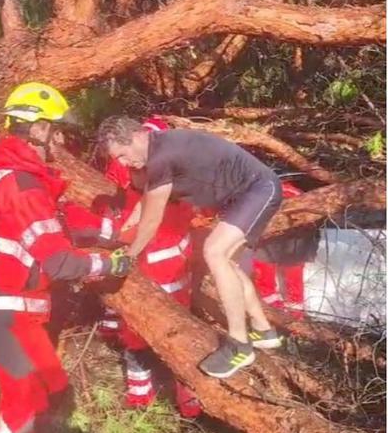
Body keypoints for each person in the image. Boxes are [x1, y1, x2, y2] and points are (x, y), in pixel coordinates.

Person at [0, 82, 132, 433]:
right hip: (8, 315)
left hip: (20, 311)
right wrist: (110, 263)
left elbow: (64, 220)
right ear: (36, 130)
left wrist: (115, 231)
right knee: (23, 402)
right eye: (56, 132)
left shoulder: (27, 181)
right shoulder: (19, 185)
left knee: (49, 385)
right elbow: (60, 261)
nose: (61, 141)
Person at [97, 116, 283, 379]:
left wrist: (130, 255)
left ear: (138, 137)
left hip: (258, 189)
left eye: (123, 155)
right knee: (226, 262)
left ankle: (239, 345)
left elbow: (152, 219)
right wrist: (120, 239)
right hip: (249, 194)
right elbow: (146, 204)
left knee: (214, 252)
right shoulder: (161, 153)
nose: (123, 163)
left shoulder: (161, 157)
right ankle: (263, 330)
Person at [90, 116, 201, 417]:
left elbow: (146, 214)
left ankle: (184, 404)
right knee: (141, 335)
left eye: (124, 157)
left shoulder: (164, 166)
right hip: (157, 266)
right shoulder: (146, 164)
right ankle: (146, 401)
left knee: (175, 339)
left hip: (166, 267)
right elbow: (136, 209)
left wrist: (126, 246)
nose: (125, 164)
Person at [252, 180, 314, 320]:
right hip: (284, 234)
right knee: (275, 265)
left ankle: (288, 309)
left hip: (291, 234)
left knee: (275, 265)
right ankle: (290, 310)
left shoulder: (274, 190)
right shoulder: (287, 191)